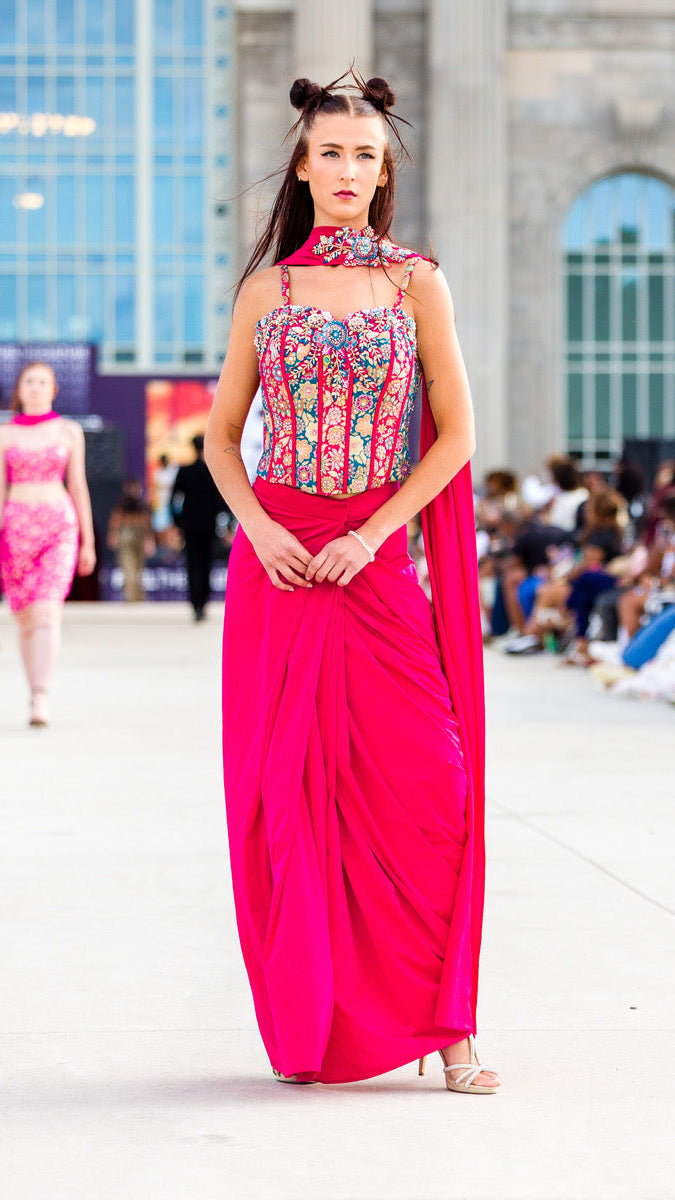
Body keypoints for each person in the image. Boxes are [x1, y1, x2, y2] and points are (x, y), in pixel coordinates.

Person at [204, 71, 499, 1092]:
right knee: (290, 803)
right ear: (301, 165)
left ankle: (448, 1027)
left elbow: (456, 436)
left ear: (383, 173)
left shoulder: (418, 284)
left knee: (435, 788)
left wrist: (373, 534)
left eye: (363, 155)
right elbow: (221, 439)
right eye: (328, 152)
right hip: (281, 568)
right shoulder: (266, 292)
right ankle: (316, 1023)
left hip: (373, 565)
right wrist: (259, 530)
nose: (345, 169)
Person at [0, 361, 95, 726]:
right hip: (16, 531)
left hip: (58, 527)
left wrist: (87, 540)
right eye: (30, 381)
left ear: (53, 390)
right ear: (19, 390)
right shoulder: (6, 434)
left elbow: (78, 486)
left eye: (43, 382)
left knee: (47, 609)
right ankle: (33, 689)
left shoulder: (69, 431)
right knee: (25, 616)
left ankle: (42, 695)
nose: (36, 387)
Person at [170, 434, 231, 621]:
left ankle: (195, 603)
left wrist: (177, 521)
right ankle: (203, 602)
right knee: (206, 563)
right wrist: (226, 522)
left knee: (192, 564)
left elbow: (173, 499)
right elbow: (222, 500)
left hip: (189, 526)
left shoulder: (184, 471)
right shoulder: (211, 471)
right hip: (208, 525)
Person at [107, 478, 155, 602]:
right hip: (126, 533)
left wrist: (149, 539)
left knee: (139, 567)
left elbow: (146, 522)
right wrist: (113, 534)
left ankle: (138, 597)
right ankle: (130, 597)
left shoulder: (142, 505)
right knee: (128, 566)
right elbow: (116, 519)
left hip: (139, 534)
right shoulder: (122, 503)